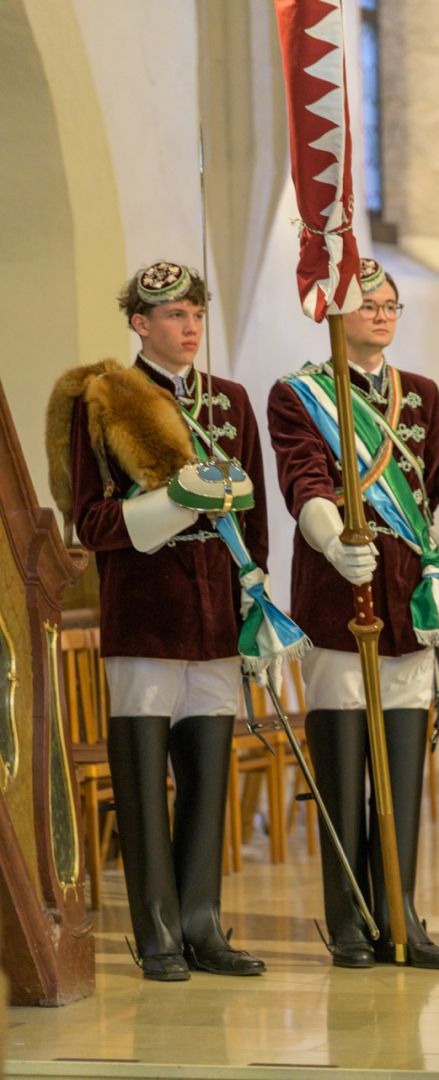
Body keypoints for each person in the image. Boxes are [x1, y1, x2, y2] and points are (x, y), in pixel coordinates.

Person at [47, 261, 269, 981]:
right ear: (141, 324)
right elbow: (91, 518)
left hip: (214, 616)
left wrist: (254, 599)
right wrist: (178, 500)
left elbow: (256, 518)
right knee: (144, 787)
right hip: (145, 614)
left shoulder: (231, 400)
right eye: (174, 315)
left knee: (209, 782)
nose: (190, 326)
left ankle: (203, 925)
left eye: (197, 313)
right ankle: (157, 935)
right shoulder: (105, 400)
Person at [267, 258, 439, 969]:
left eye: (390, 304)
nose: (381, 314)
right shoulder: (299, 394)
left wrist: (427, 576)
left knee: (403, 765)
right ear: (334, 315)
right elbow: (302, 479)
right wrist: (330, 537)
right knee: (345, 765)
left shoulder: (424, 394)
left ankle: (400, 912)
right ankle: (349, 915)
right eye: (367, 304)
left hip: (405, 601)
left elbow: (426, 489)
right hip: (336, 599)